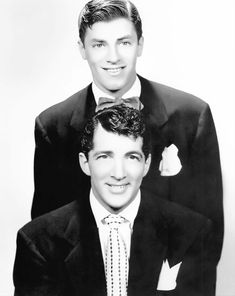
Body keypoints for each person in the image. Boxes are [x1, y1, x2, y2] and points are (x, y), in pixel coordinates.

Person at [31, 0, 223, 291]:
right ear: (82, 49)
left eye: (124, 42)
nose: (113, 57)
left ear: (140, 44)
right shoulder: (52, 127)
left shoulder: (191, 116)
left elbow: (209, 232)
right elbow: (46, 236)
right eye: (98, 45)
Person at [14, 105, 214, 296]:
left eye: (132, 157)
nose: (118, 173)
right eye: (104, 157)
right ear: (85, 163)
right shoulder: (39, 241)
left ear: (146, 164)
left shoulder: (191, 231)